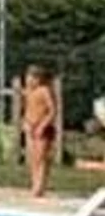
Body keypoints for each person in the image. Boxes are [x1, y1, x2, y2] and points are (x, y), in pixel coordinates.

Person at [22, 64, 61, 199]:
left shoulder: (44, 91)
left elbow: (53, 110)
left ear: (40, 79)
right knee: (32, 158)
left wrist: (43, 125)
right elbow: (28, 109)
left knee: (41, 158)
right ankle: (34, 183)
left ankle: (40, 186)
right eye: (28, 77)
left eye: (33, 78)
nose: (30, 81)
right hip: (30, 126)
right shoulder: (28, 91)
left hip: (43, 127)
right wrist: (25, 123)